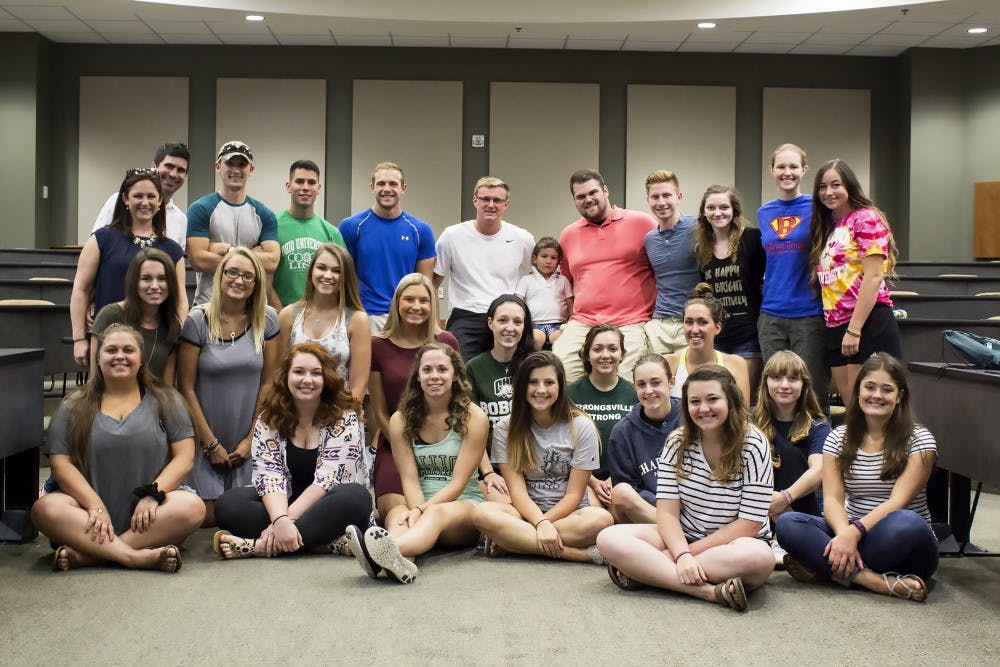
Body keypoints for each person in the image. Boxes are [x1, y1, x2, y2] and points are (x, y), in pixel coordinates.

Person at [596, 365, 775, 611]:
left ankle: (650, 573)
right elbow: (667, 513)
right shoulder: (677, 442)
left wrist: (684, 555)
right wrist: (681, 554)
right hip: (684, 535)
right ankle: (708, 592)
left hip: (736, 544)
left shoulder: (754, 444)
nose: (703, 408)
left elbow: (749, 524)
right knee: (608, 538)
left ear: (731, 400)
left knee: (759, 559)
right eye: (695, 401)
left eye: (713, 399)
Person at [31, 324, 205, 572]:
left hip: (148, 517)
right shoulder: (73, 405)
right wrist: (94, 505)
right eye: (111, 350)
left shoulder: (167, 400)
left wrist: (152, 495)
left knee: (193, 507)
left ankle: (92, 555)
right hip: (88, 516)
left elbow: (185, 457)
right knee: (44, 509)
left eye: (128, 350)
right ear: (98, 358)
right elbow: (60, 465)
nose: (120, 356)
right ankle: (135, 557)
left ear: (141, 359)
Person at [775, 353, 938, 602]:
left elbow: (898, 502)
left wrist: (853, 534)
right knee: (788, 523)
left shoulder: (920, 440)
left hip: (901, 542)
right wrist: (844, 535)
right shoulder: (838, 437)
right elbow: (832, 500)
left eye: (887, 389)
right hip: (850, 531)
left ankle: (826, 569)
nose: (877, 395)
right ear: (858, 390)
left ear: (899, 396)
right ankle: (872, 581)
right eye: (869, 387)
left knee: (907, 522)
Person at [212, 343, 373, 559]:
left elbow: (328, 480)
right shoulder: (268, 419)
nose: (307, 380)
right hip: (284, 502)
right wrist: (280, 519)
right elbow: (269, 476)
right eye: (299, 372)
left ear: (326, 379)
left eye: (316, 373)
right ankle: (324, 544)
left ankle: (257, 546)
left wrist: (284, 522)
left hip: (329, 505)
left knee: (356, 497)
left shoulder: (344, 417)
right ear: (286, 376)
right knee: (229, 505)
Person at [347, 343, 489, 584]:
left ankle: (378, 553)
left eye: (442, 369)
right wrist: (415, 510)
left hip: (462, 505)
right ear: (418, 377)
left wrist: (423, 510)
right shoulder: (400, 419)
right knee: (397, 514)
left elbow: (458, 483)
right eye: (427, 370)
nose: (434, 376)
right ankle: (402, 563)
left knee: (435, 512)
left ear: (455, 375)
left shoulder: (475, 417)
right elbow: (409, 479)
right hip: (419, 503)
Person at [472, 352, 613, 563]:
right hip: (524, 512)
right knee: (481, 513)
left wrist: (543, 523)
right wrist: (539, 523)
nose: (541, 390)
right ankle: (579, 554)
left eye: (549, 382)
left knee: (602, 520)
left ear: (561, 386)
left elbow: (574, 495)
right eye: (533, 382)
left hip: (570, 514)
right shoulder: (505, 428)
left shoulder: (581, 426)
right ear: (522, 387)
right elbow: (518, 493)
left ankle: (514, 543)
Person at [177, 247, 279, 526]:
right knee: (207, 516)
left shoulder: (268, 319)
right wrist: (210, 444)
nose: (239, 280)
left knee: (247, 512)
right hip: (206, 438)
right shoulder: (197, 320)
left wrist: (252, 440)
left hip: (250, 438)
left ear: (256, 283)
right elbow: (185, 388)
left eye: (248, 276)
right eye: (232, 272)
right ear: (220, 276)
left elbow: (269, 383)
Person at [71, 169, 186, 369]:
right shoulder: (103, 239)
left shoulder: (172, 249)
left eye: (151, 196)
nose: (145, 202)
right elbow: (81, 289)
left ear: (160, 201)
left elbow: (180, 298)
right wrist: (79, 338)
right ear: (125, 199)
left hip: (155, 343)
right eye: (138, 196)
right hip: (110, 339)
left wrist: (176, 335)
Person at [369, 274, 461, 522]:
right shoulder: (377, 345)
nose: (416, 306)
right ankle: (396, 542)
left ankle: (413, 538)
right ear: (397, 302)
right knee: (395, 509)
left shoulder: (446, 341)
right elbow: (380, 412)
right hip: (395, 443)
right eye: (409, 299)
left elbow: (461, 402)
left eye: (424, 300)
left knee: (439, 512)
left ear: (433, 305)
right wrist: (404, 448)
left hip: (442, 445)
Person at [808, 159, 900, 405]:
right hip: (835, 324)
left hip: (865, 322)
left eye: (836, 184)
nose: (829, 192)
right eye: (823, 187)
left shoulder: (865, 218)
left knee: (871, 406)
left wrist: (854, 329)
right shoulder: (830, 226)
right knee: (853, 410)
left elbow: (874, 276)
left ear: (849, 186)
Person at [552, 169, 656, 381]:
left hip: (631, 322)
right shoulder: (568, 235)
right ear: (574, 200)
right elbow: (567, 282)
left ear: (605, 191)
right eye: (581, 196)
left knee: (626, 378)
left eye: (593, 193)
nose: (588, 200)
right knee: (561, 369)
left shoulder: (642, 223)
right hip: (584, 321)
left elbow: (663, 268)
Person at [757, 143, 829, 414]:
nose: (787, 172)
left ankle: (817, 439)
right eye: (781, 167)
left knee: (812, 391)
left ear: (804, 170)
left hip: (808, 312)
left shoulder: (818, 208)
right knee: (774, 392)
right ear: (772, 170)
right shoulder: (764, 212)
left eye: (793, 167)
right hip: (771, 314)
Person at [434, 176, 534, 360]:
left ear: (506, 204)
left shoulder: (522, 238)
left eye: (497, 200)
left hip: (506, 315)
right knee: (458, 369)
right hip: (466, 316)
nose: (491, 205)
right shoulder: (452, 236)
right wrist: (435, 327)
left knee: (520, 369)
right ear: (475, 201)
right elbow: (432, 284)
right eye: (485, 199)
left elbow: (535, 280)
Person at [752, 350, 830, 563]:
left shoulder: (817, 425)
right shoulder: (749, 419)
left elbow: (819, 470)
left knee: (791, 454)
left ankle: (780, 538)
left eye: (793, 379)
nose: (784, 385)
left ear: (804, 385)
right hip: (759, 508)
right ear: (766, 382)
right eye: (776, 377)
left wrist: (785, 498)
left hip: (799, 510)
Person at [339, 162, 436, 333]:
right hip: (365, 317)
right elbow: (343, 279)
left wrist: (433, 326)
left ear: (403, 188)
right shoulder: (351, 226)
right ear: (372, 188)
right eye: (381, 184)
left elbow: (425, 285)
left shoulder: (421, 230)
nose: (387, 189)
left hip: (406, 317)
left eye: (393, 184)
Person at [185, 140, 279, 305]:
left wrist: (226, 249)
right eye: (229, 163)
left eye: (242, 165)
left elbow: (271, 262)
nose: (236, 170)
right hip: (209, 304)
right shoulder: (200, 209)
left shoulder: (264, 214)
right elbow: (198, 260)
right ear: (218, 167)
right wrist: (252, 254)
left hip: (251, 307)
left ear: (250, 169)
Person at [694, 185, 765, 399]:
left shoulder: (753, 239)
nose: (718, 213)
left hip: (748, 335)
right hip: (717, 337)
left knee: (743, 400)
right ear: (704, 212)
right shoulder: (702, 248)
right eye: (711, 208)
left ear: (734, 210)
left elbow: (763, 283)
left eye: (724, 207)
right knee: (719, 398)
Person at [276, 243, 370, 404]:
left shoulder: (357, 320)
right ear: (311, 271)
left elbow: (359, 386)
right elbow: (279, 373)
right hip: (295, 412)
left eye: (336, 271)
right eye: (321, 268)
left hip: (340, 412)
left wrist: (346, 418)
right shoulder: (288, 315)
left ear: (346, 277)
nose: (328, 275)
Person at [566, 324, 638, 509]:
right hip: (581, 478)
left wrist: (614, 479)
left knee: (618, 509)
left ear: (622, 354)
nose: (605, 355)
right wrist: (593, 481)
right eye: (597, 349)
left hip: (623, 479)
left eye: (612, 349)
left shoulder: (634, 393)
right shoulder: (570, 394)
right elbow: (562, 444)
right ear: (587, 354)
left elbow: (638, 445)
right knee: (597, 515)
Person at [607, 354, 681, 524]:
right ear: (634, 387)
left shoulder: (691, 415)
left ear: (671, 382)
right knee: (621, 492)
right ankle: (678, 532)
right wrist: (664, 503)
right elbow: (629, 487)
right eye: (641, 384)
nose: (648, 391)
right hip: (652, 512)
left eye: (656, 383)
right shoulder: (622, 432)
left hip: (695, 505)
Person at [90, 248, 183, 383]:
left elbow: (167, 386)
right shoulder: (110, 315)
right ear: (134, 282)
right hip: (113, 394)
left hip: (154, 396)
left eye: (162, 279)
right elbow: (95, 379)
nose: (155, 286)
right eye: (146, 279)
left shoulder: (171, 324)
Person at [270, 159, 346, 309]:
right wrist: (282, 315)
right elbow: (264, 281)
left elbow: (343, 280)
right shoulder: (272, 226)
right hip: (280, 313)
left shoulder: (331, 232)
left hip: (321, 315)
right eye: (299, 182)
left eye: (311, 183)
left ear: (318, 188)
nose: (305, 187)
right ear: (288, 186)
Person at [643, 170, 700, 356]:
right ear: (648, 200)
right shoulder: (649, 239)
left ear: (679, 197)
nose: (661, 202)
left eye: (667, 195)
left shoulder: (699, 228)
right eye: (655, 197)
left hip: (691, 322)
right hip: (659, 324)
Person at [665, 285, 751, 408]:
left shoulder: (735, 364)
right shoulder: (669, 363)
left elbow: (742, 415)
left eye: (702, 322)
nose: (695, 329)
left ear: (717, 328)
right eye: (689, 322)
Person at [92, 142, 190, 246]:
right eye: (169, 166)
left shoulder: (181, 220)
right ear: (153, 167)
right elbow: (96, 245)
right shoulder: (118, 200)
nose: (173, 174)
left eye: (180, 170)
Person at [466, 294, 536, 436]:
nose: (510, 328)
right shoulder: (473, 367)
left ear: (524, 326)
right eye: (502, 320)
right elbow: (470, 423)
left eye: (517, 322)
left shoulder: (533, 365)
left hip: (525, 446)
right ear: (490, 323)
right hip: (486, 447)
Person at [515, 236, 574, 351]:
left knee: (560, 340)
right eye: (544, 256)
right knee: (536, 339)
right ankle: (534, 361)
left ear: (559, 261)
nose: (548, 261)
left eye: (553, 258)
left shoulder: (563, 280)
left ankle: (558, 362)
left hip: (558, 324)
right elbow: (518, 303)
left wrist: (571, 323)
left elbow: (571, 305)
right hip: (534, 324)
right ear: (534, 259)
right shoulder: (526, 280)